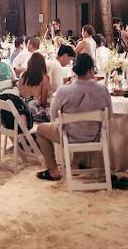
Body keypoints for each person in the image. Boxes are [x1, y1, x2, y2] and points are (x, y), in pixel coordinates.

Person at [35, 53, 112, 181]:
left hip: (70, 136)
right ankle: (75, 163)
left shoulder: (63, 91)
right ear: (91, 69)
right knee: (82, 126)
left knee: (40, 130)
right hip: (94, 136)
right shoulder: (103, 90)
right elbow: (109, 116)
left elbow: (53, 115)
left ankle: (53, 170)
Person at [18, 52, 51, 123]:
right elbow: (43, 102)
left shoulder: (23, 76)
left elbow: (20, 92)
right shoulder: (45, 78)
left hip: (22, 111)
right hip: (35, 114)